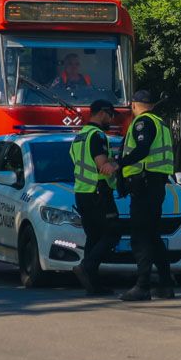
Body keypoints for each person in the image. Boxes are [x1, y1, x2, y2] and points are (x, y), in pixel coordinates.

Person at [117, 89, 176, 301]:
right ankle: (165, 285)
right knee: (152, 236)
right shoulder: (161, 124)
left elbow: (142, 149)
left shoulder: (143, 123)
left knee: (140, 237)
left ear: (133, 105)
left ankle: (142, 286)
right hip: (155, 184)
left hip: (144, 184)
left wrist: (120, 163)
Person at [70, 99, 121, 296]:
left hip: (82, 192)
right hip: (98, 192)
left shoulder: (80, 136)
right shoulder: (97, 136)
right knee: (113, 232)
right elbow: (103, 166)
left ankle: (92, 285)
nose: (112, 119)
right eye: (111, 115)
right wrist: (118, 163)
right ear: (102, 113)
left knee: (93, 237)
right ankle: (86, 266)